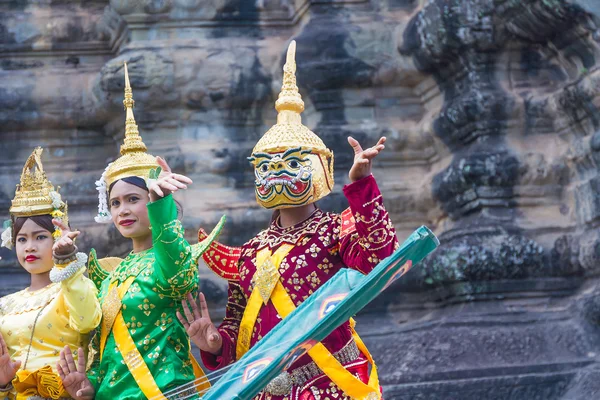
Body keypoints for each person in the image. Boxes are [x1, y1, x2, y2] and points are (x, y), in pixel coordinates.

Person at [179, 41, 399, 400]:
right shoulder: (250, 251)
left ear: (321, 168)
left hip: (330, 382)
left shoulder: (335, 229)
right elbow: (239, 329)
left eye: (292, 164)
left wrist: (360, 186)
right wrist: (217, 342)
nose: (276, 175)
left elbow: (381, 258)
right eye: (266, 166)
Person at [56, 63, 221, 400]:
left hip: (166, 391)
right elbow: (104, 341)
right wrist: (88, 388)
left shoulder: (176, 259)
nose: (123, 210)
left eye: (133, 199)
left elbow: (173, 271)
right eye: (115, 203)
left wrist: (163, 208)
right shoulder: (113, 272)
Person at [0, 147, 101, 400]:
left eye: (40, 237)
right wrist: (2, 385)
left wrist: (66, 264)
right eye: (22, 239)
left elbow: (88, 321)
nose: (30, 246)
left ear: (58, 237)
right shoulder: (4, 305)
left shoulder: (74, 286)